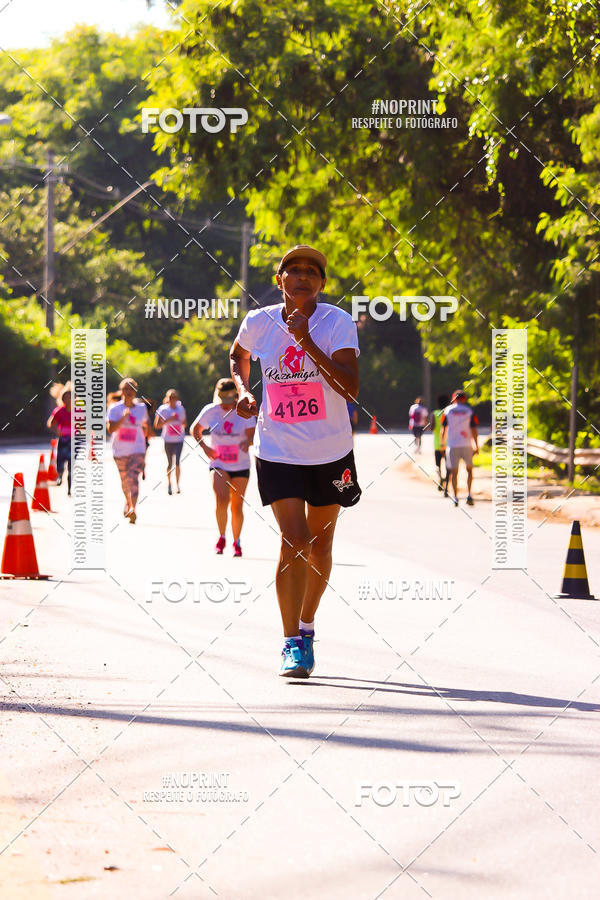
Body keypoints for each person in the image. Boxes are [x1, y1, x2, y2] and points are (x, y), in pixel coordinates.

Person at [230, 244, 361, 679]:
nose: (303, 275)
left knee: (321, 544)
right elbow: (238, 355)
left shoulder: (338, 323)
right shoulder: (258, 321)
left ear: (322, 283)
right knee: (295, 539)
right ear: (279, 279)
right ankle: (290, 643)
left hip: (331, 452)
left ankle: (307, 628)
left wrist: (305, 340)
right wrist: (245, 389)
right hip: (277, 449)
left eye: (312, 271)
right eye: (294, 269)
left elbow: (349, 389)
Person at [190, 378, 256, 557]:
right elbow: (195, 429)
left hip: (240, 464)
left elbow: (253, 435)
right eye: (223, 401)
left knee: (237, 506)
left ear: (236, 396)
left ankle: (237, 541)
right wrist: (205, 447)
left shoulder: (244, 410)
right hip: (219, 462)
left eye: (229, 401)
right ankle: (221, 536)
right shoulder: (211, 411)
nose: (226, 406)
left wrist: (246, 442)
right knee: (221, 499)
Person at [106, 378, 148, 524]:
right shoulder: (114, 408)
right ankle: (128, 501)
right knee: (125, 481)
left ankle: (133, 509)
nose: (129, 392)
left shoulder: (142, 408)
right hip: (120, 450)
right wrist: (123, 417)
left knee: (134, 479)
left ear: (135, 391)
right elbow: (111, 429)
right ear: (121, 391)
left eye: (132, 389)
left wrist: (146, 454)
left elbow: (145, 428)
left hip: (138, 448)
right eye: (126, 389)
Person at [441, 389, 480, 506]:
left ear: (454, 398)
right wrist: (476, 446)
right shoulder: (469, 411)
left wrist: (442, 445)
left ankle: (456, 497)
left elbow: (444, 429)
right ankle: (469, 494)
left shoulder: (447, 411)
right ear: (464, 399)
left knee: (454, 471)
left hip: (452, 445)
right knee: (469, 470)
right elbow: (474, 430)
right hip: (466, 444)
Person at [154, 389, 187, 494]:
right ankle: (169, 484)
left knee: (177, 462)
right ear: (167, 399)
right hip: (168, 439)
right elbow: (157, 425)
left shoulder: (181, 409)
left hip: (179, 439)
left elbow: (185, 424)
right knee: (170, 463)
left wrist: (180, 421)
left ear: (177, 399)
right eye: (171, 398)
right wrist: (169, 419)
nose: (173, 399)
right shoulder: (163, 409)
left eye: (174, 397)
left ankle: (177, 485)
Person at [47, 383, 73, 496]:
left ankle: (70, 488)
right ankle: (60, 476)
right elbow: (51, 423)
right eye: (65, 397)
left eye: (70, 397)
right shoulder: (59, 411)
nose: (68, 399)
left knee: (72, 464)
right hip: (63, 440)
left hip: (75, 441)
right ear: (62, 399)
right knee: (61, 461)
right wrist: (57, 431)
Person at [432, 393, 450, 494]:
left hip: (437, 444)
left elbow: (432, 428)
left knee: (438, 465)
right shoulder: (448, 413)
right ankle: (447, 486)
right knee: (448, 466)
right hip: (448, 443)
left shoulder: (434, 414)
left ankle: (440, 480)